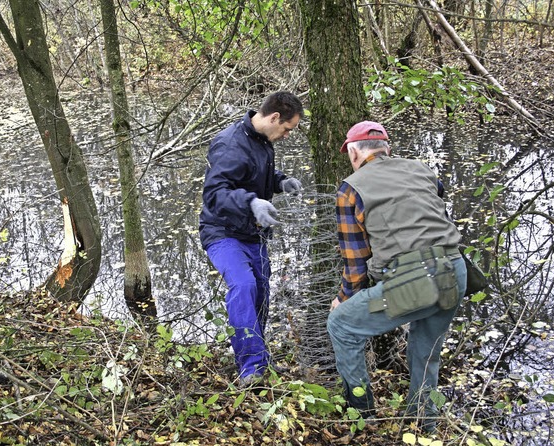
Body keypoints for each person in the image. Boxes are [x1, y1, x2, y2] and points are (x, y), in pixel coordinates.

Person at [327, 121, 467, 432]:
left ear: (353, 152)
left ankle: (361, 416)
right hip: (456, 270)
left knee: (341, 325)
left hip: (415, 284)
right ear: (387, 148)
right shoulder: (422, 170)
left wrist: (344, 299)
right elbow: (435, 210)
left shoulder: (351, 188)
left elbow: (356, 261)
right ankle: (423, 424)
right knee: (426, 351)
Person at [199, 91, 304, 386]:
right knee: (243, 286)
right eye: (287, 129)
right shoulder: (229, 144)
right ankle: (251, 368)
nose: (286, 135)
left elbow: (256, 174)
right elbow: (215, 194)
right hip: (222, 232)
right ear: (274, 118)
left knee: (259, 293)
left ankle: (260, 359)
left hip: (253, 233)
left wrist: (281, 181)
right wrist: (251, 203)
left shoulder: (262, 140)